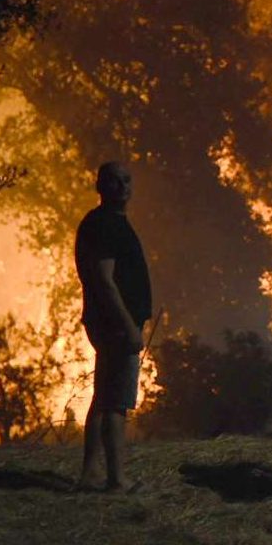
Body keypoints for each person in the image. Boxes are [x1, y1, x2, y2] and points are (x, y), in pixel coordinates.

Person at [74, 161, 152, 492]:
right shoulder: (105, 225)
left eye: (126, 180)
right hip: (116, 325)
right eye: (114, 181)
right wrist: (129, 326)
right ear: (100, 186)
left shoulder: (105, 222)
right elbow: (104, 281)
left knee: (103, 397)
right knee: (116, 403)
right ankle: (117, 479)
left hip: (109, 322)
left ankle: (90, 473)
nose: (122, 187)